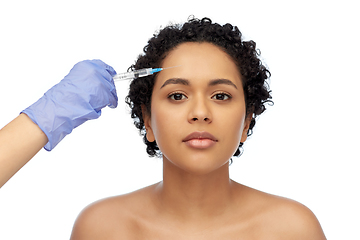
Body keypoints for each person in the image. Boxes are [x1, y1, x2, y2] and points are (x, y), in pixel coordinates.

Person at [0, 17, 326, 239]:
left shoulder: (293, 229)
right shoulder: (102, 228)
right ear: (147, 119)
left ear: (247, 121)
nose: (200, 112)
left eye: (221, 95)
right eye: (177, 95)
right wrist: (45, 116)